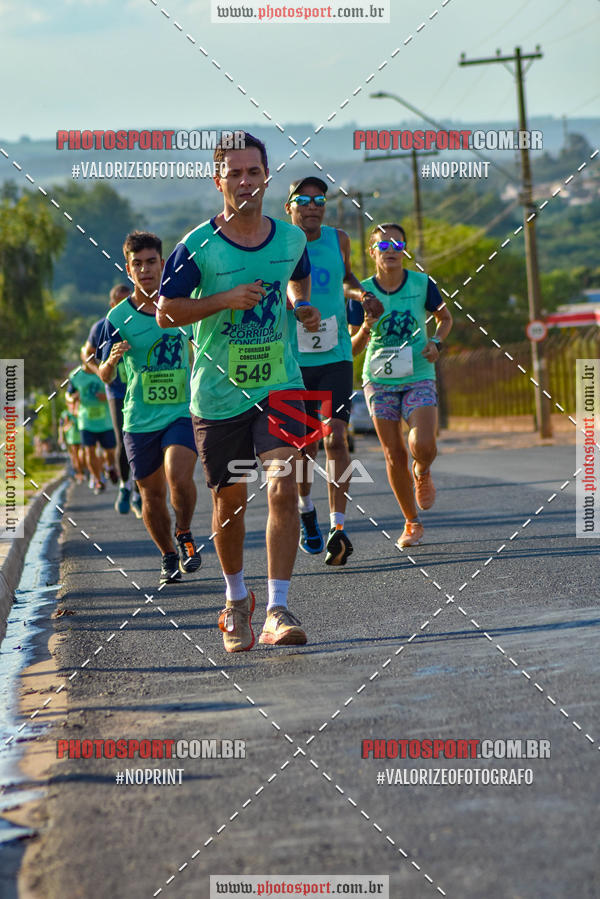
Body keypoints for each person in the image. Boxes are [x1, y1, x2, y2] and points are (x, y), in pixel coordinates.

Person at [157, 132, 320, 652]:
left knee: (283, 485)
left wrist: (300, 306)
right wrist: (224, 299)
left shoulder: (292, 239)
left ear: (267, 176)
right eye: (235, 173)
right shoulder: (196, 244)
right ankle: (234, 599)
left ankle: (277, 607)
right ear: (218, 179)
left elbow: (298, 277)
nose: (245, 182)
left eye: (254, 172)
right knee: (229, 502)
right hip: (218, 395)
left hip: (282, 384)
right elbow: (166, 312)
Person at [285, 178, 383, 565]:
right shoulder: (279, 244)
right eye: (303, 200)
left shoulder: (339, 238)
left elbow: (345, 277)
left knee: (336, 440)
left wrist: (362, 294)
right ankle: (306, 509)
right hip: (291, 359)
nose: (312, 206)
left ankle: (338, 528)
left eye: (319, 200)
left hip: (335, 353)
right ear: (289, 207)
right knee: (301, 447)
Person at [98, 231, 202, 586]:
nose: (145, 270)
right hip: (139, 418)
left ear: (162, 264)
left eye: (151, 262)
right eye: (137, 264)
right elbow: (103, 372)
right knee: (152, 496)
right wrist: (111, 362)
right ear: (129, 269)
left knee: (178, 475)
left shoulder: (181, 306)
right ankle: (168, 555)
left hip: (180, 411)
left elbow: (203, 346)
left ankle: (185, 532)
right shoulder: (117, 318)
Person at [348, 223, 452, 547]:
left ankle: (422, 470)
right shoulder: (361, 293)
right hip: (378, 381)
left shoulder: (422, 283)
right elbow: (351, 347)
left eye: (397, 244)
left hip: (419, 372)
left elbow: (445, 318)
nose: (390, 250)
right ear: (372, 252)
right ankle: (412, 522)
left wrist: (436, 341)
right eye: (383, 245)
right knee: (394, 454)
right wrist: (366, 327)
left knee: (422, 444)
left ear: (404, 249)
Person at [82, 283, 142, 518]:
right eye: (119, 301)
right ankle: (125, 486)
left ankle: (138, 492)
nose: (123, 305)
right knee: (124, 440)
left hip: (141, 390)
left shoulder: (144, 316)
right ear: (111, 304)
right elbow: (86, 354)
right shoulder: (103, 326)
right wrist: (101, 371)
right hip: (116, 391)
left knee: (141, 439)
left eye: (128, 299)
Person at [65, 364, 117, 495]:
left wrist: (107, 397)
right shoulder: (75, 375)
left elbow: (117, 389)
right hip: (86, 421)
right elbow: (68, 395)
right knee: (89, 451)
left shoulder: (106, 369)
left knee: (110, 452)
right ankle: (98, 481)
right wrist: (73, 398)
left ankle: (110, 467)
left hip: (106, 420)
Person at [59, 399, 85, 482]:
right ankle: (80, 474)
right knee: (75, 458)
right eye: (70, 403)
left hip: (81, 438)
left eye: (74, 403)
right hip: (71, 439)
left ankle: (84, 471)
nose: (72, 405)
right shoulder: (65, 414)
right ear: (67, 404)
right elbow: (62, 427)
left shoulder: (81, 411)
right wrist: (61, 437)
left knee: (82, 456)